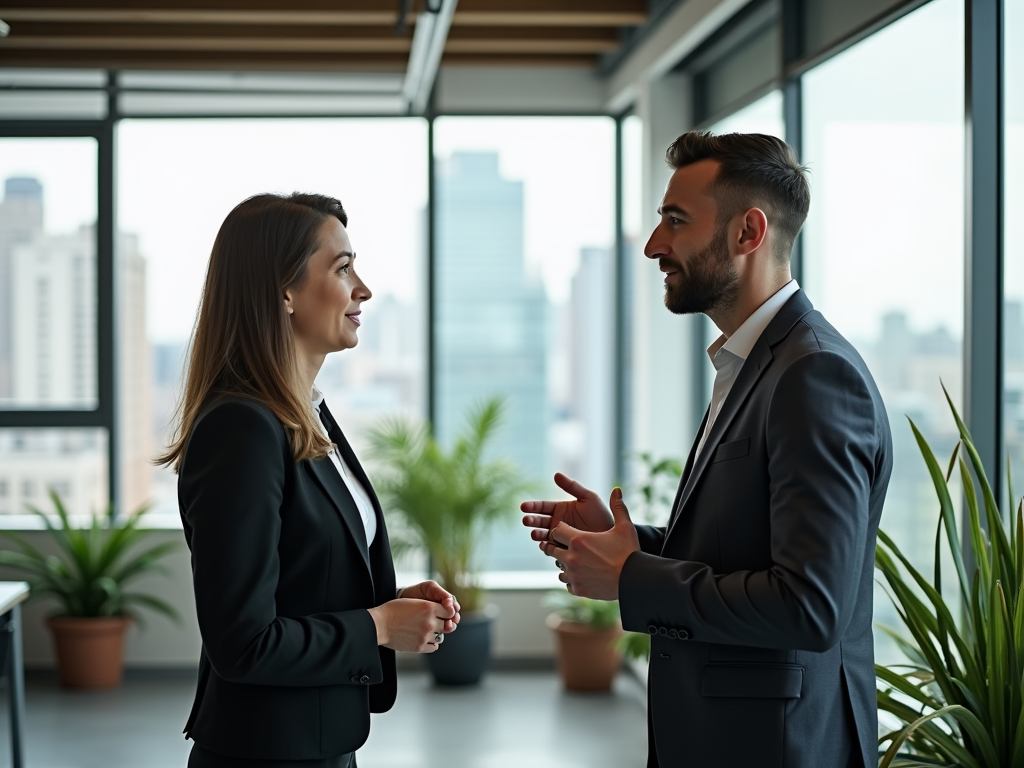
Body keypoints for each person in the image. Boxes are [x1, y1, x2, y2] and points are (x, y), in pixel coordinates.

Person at [522, 133, 892, 768]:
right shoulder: (753, 365)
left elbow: (810, 606)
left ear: (749, 232)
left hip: (778, 747)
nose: (653, 245)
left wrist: (630, 577)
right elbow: (745, 550)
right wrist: (630, 542)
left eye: (675, 221)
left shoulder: (814, 375)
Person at [158, 193, 460, 768]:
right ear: (285, 291)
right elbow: (243, 643)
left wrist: (388, 605)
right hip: (263, 753)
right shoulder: (240, 428)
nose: (363, 289)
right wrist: (376, 626)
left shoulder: (304, 412)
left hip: (320, 741)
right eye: (343, 268)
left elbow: (301, 580)